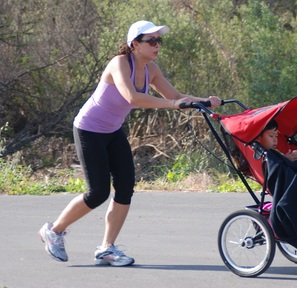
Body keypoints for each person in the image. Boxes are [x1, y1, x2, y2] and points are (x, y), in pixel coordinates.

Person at [38, 20, 222, 266]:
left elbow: (176, 97)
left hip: (113, 130)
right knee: (98, 193)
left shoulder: (151, 69)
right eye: (152, 41)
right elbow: (133, 97)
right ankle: (54, 230)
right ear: (135, 44)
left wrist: (206, 101)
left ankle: (106, 248)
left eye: (159, 40)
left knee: (125, 188)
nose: (157, 45)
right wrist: (171, 105)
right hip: (88, 130)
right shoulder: (119, 63)